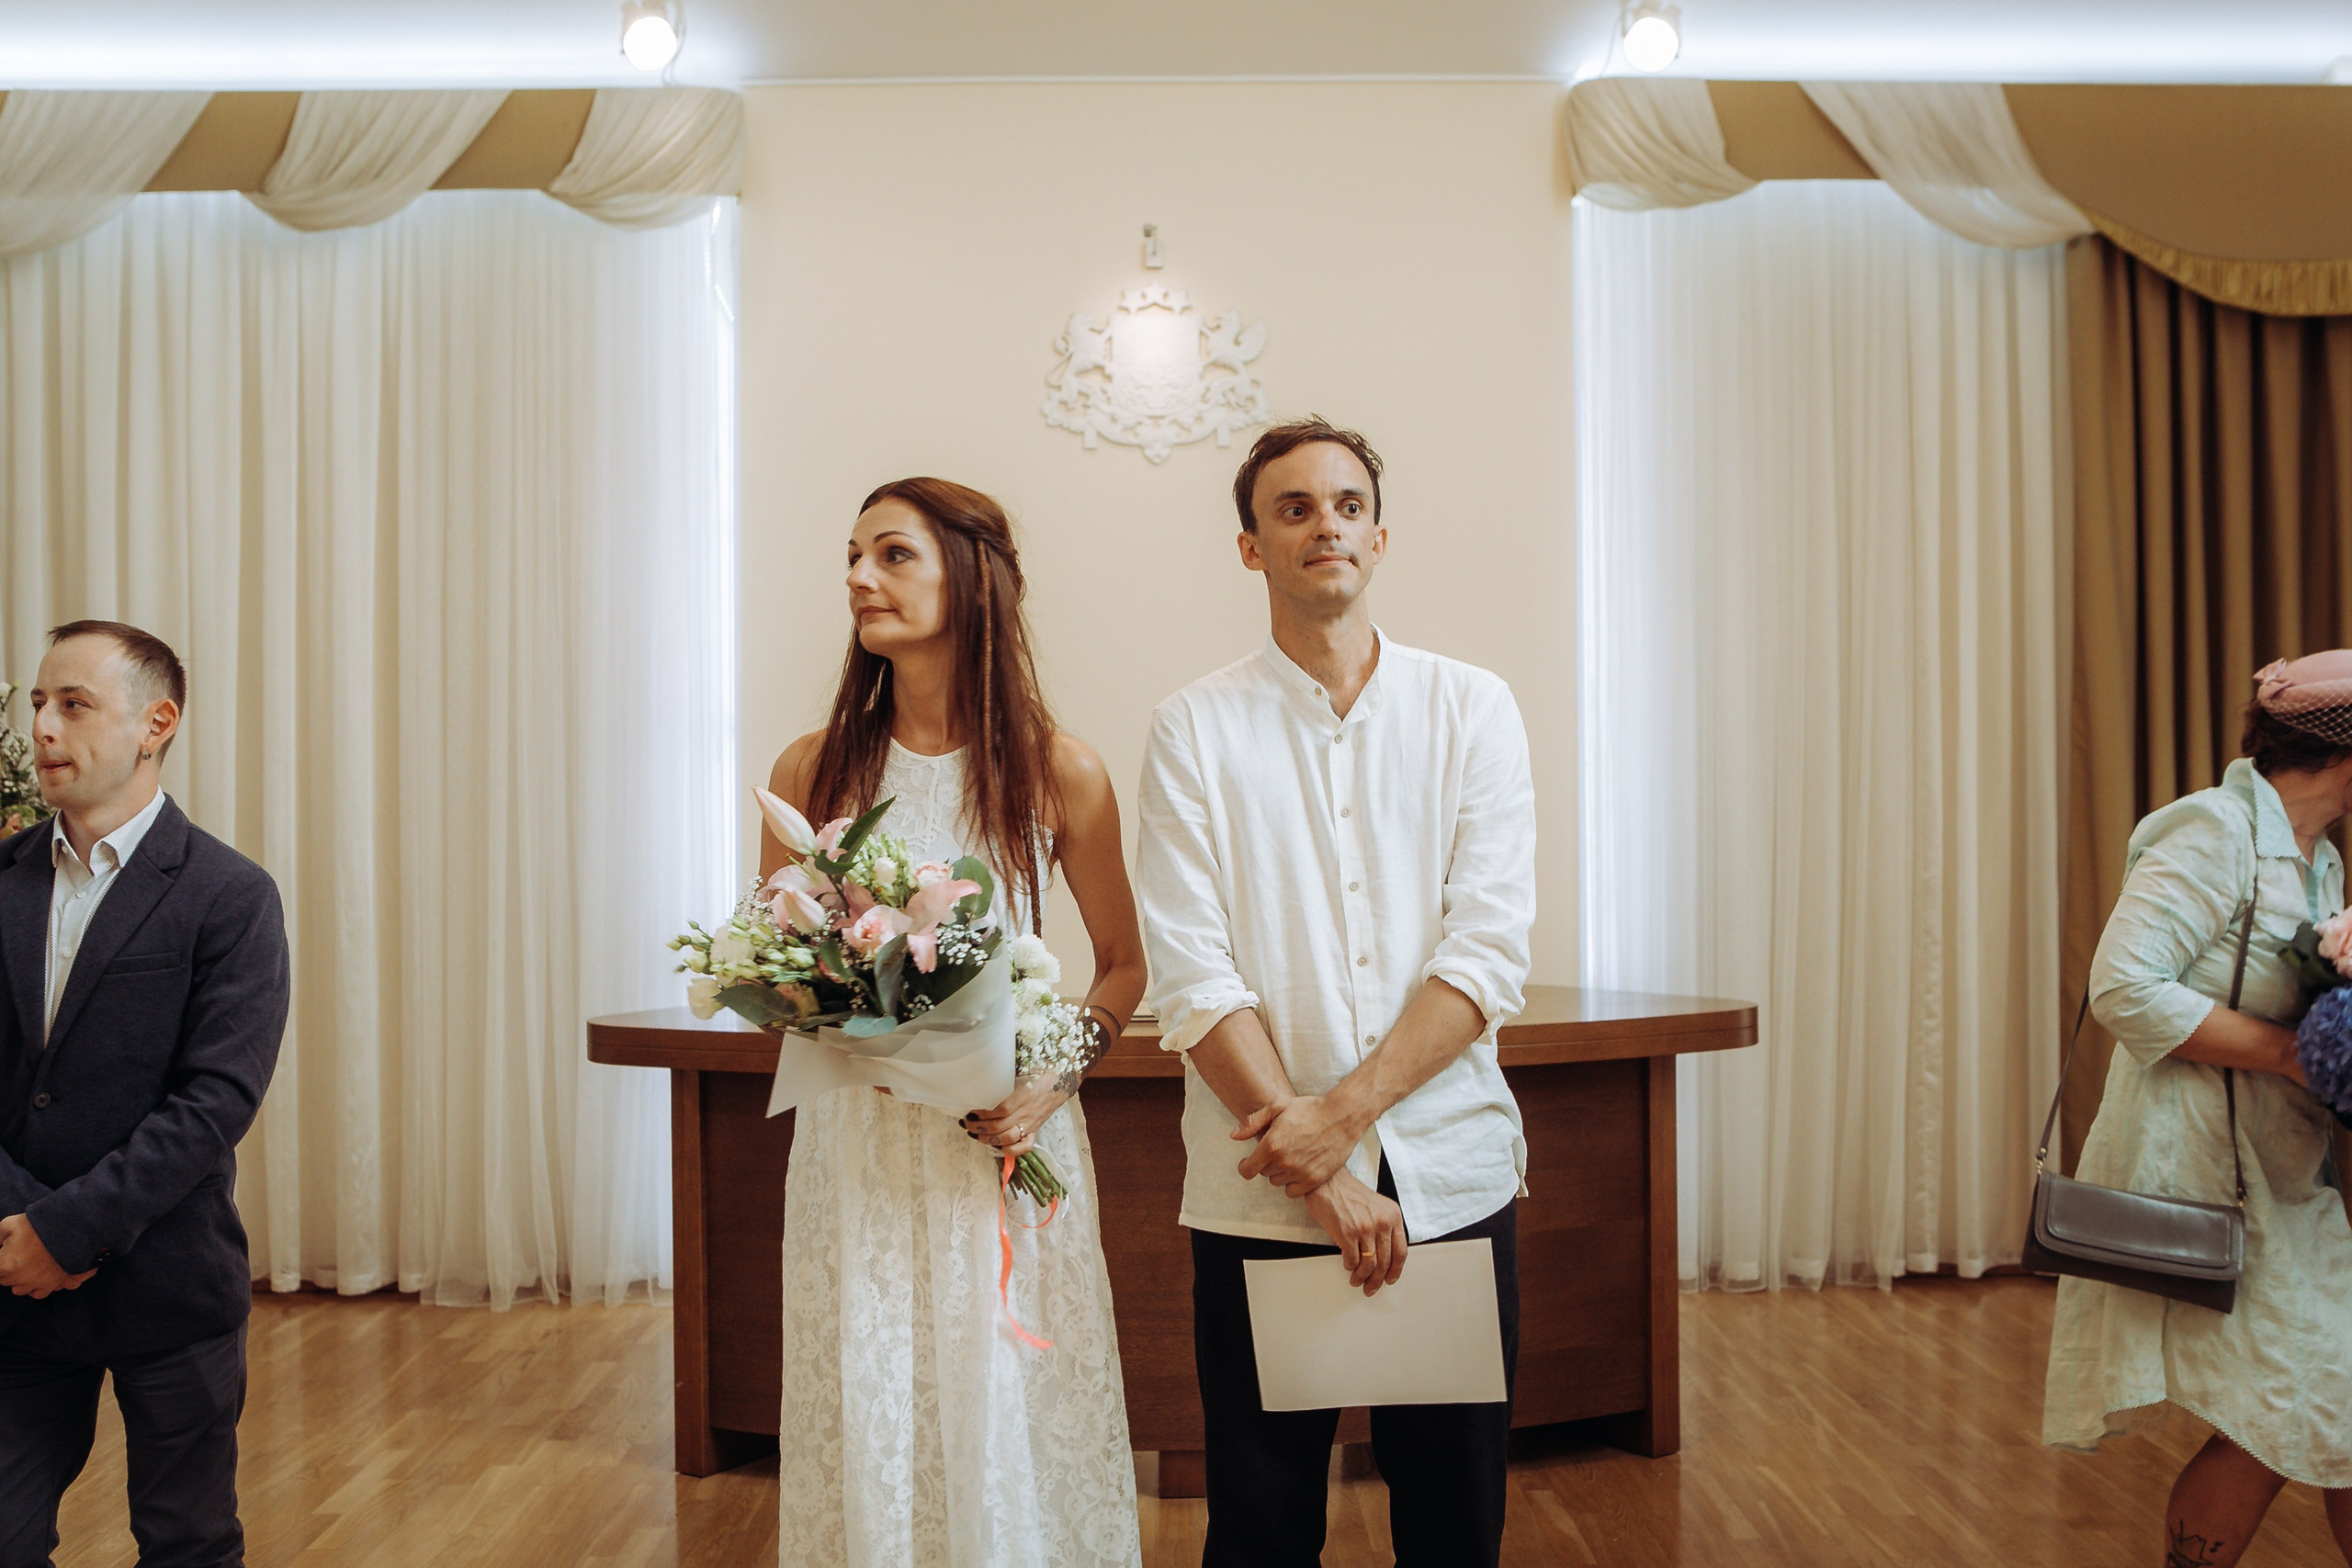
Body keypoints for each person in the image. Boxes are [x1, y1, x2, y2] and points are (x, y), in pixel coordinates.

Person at [1136, 418, 1537, 1568]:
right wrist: (1316, 1172)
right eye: (1294, 508)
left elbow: (1487, 952)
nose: (1327, 525)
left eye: (1348, 504)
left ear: (1379, 533)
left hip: (1448, 1181)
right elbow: (1193, 974)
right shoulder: (1191, 728)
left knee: (1454, 1521)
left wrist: (1337, 1125)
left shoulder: (1473, 708)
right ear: (1251, 548)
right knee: (1260, 1524)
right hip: (1262, 1198)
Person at [763, 479, 1148, 1568]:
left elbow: (1124, 964)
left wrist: (1053, 1076)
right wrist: (853, 1033)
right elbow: (777, 971)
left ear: (969, 580)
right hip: (860, 1149)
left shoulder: (1057, 769)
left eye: (891, 555)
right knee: (872, 1392)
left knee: (1010, 1403)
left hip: (1005, 1144)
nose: (857, 578)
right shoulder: (814, 769)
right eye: (852, 556)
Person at [2045, 650, 2352, 1567]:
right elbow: (2123, 988)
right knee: (2300, 1403)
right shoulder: (2213, 833)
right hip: (2203, 1170)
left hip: (2286, 1169)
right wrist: (2301, 1058)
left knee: (2323, 1397)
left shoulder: (2320, 858)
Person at [0, 620, 290, 1568]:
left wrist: (67, 1233)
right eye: (36, 702)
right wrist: (23, 1231)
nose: (42, 725)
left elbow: (215, 1101)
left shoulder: (230, 894)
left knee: (187, 1542)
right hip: (14, 1282)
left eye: (72, 704)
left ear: (155, 723)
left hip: (168, 1285)